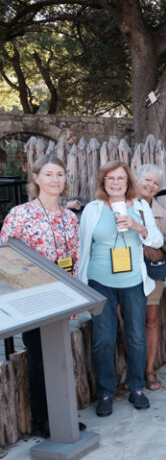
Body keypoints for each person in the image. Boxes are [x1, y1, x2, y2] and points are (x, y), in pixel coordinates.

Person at [1, 155, 79, 434]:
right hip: (33, 297)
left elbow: (74, 258)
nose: (55, 179)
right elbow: (5, 256)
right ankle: (42, 420)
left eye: (59, 174)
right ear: (36, 178)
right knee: (40, 360)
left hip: (63, 297)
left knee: (60, 356)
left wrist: (75, 299)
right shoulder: (20, 215)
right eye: (48, 174)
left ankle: (63, 415)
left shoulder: (70, 217)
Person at [78, 161, 163, 416]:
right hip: (100, 282)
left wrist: (138, 226)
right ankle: (105, 392)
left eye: (120, 178)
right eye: (110, 178)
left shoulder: (140, 207)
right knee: (103, 340)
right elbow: (83, 248)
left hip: (133, 282)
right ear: (103, 182)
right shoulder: (93, 209)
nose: (115, 183)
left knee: (136, 336)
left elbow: (157, 240)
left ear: (128, 182)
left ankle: (136, 387)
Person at [135, 164, 166, 391]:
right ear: (137, 179)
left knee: (151, 320)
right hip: (126, 271)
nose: (151, 185)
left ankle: (149, 370)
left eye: (155, 183)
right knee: (129, 322)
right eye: (147, 180)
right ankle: (135, 369)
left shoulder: (161, 213)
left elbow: (165, 243)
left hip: (151, 270)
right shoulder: (122, 205)